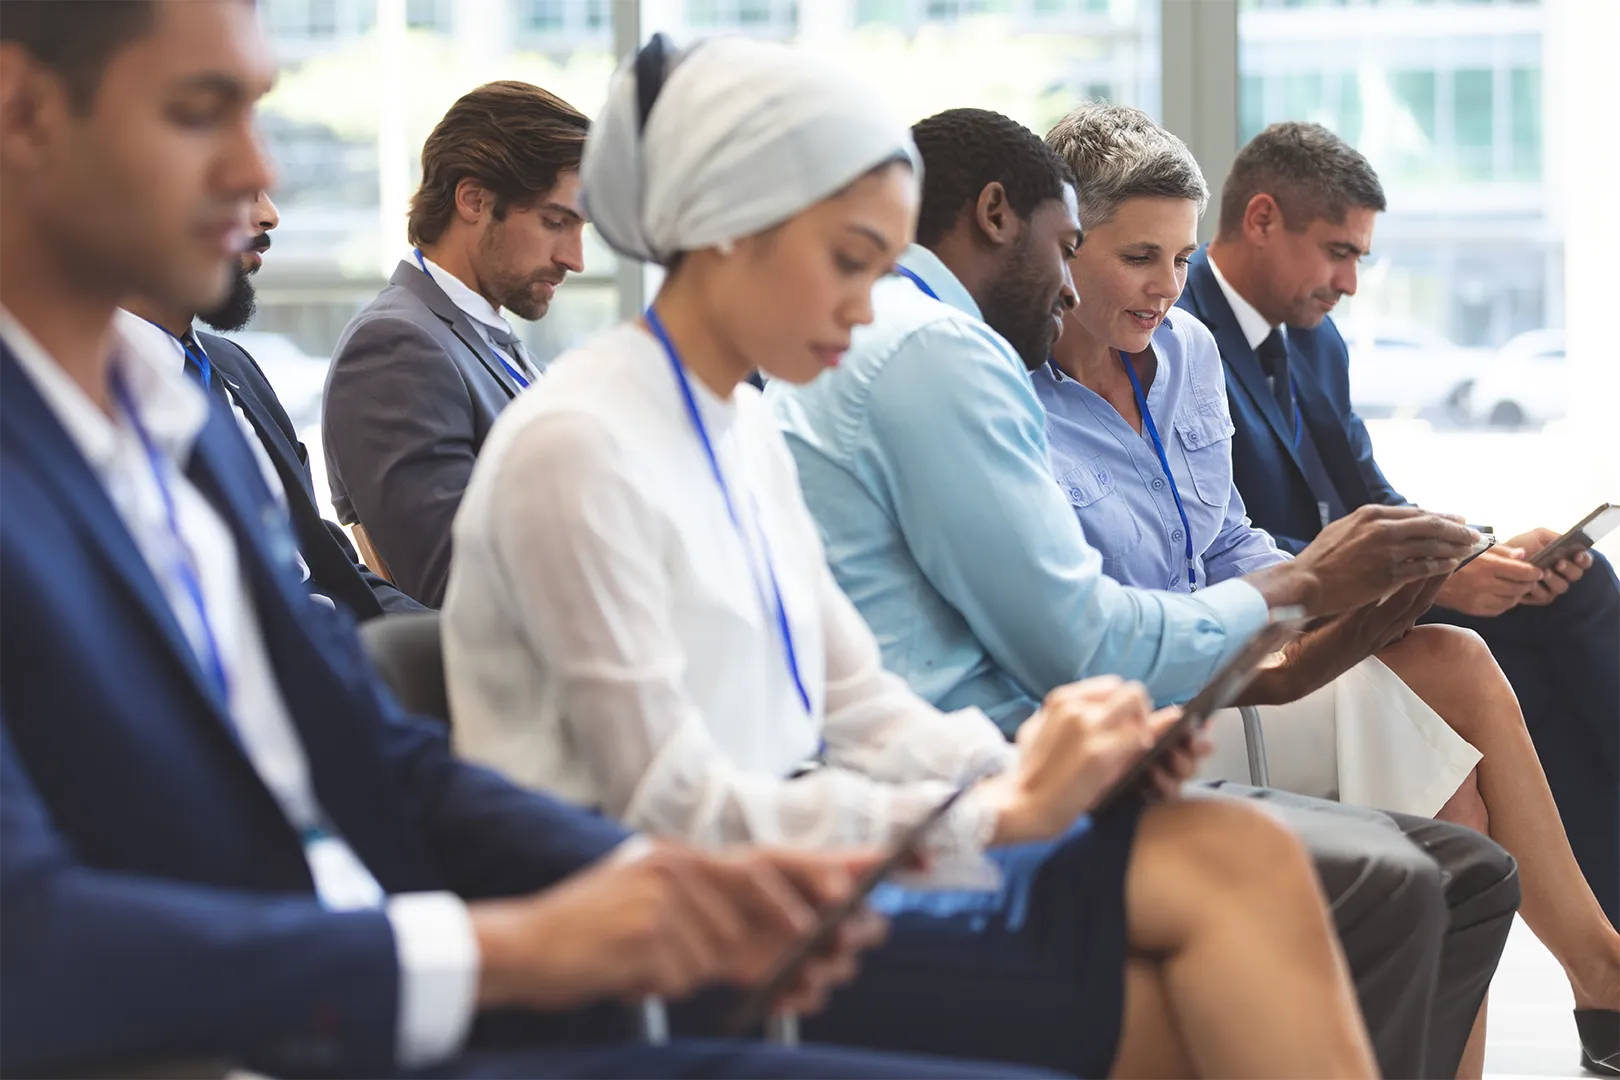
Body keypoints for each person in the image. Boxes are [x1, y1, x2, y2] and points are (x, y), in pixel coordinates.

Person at [0, 6, 1070, 1080]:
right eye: (199, 112)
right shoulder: (552, 420)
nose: (258, 171)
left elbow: (374, 751)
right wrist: (499, 950)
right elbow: (31, 938)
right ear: (25, 112)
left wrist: (663, 890)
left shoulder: (179, 424)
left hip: (415, 989)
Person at [446, 34, 1382, 1080]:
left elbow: (860, 701)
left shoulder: (742, 430)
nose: (869, 303)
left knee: (1236, 860)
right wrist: (1002, 809)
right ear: (729, 234)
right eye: (852, 260)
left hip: (791, 878)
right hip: (672, 943)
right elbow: (669, 812)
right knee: (1185, 994)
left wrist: (1057, 774)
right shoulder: (580, 446)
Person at [765, 106, 1520, 1080]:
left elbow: (926, 668)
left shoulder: (933, 347)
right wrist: (1303, 581)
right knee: (1404, 877)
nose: (1156, 287)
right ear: (1003, 217)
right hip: (1030, 750)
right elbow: (1075, 644)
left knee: (1462, 868)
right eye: (1073, 247)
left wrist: (1345, 596)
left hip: (1081, 730)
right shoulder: (947, 355)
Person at [1044, 100, 1620, 1079]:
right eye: (1141, 259)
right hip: (1162, 684)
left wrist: (1435, 557)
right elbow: (1107, 618)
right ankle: (1604, 975)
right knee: (1457, 684)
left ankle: (1593, 979)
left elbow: (1234, 534)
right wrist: (1321, 587)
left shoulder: (1180, 356)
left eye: (1179, 261)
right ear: (1062, 247)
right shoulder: (1021, 392)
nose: (1166, 290)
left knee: (1542, 619)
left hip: (1268, 633)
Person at [323, 80, 587, 607]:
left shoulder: (488, 338)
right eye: (555, 222)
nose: (575, 258)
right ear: (473, 199)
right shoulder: (396, 347)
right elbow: (458, 585)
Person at [125, 186, 424, 620]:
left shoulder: (234, 368)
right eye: (238, 190)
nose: (270, 215)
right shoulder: (82, 394)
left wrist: (447, 641)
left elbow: (325, 562)